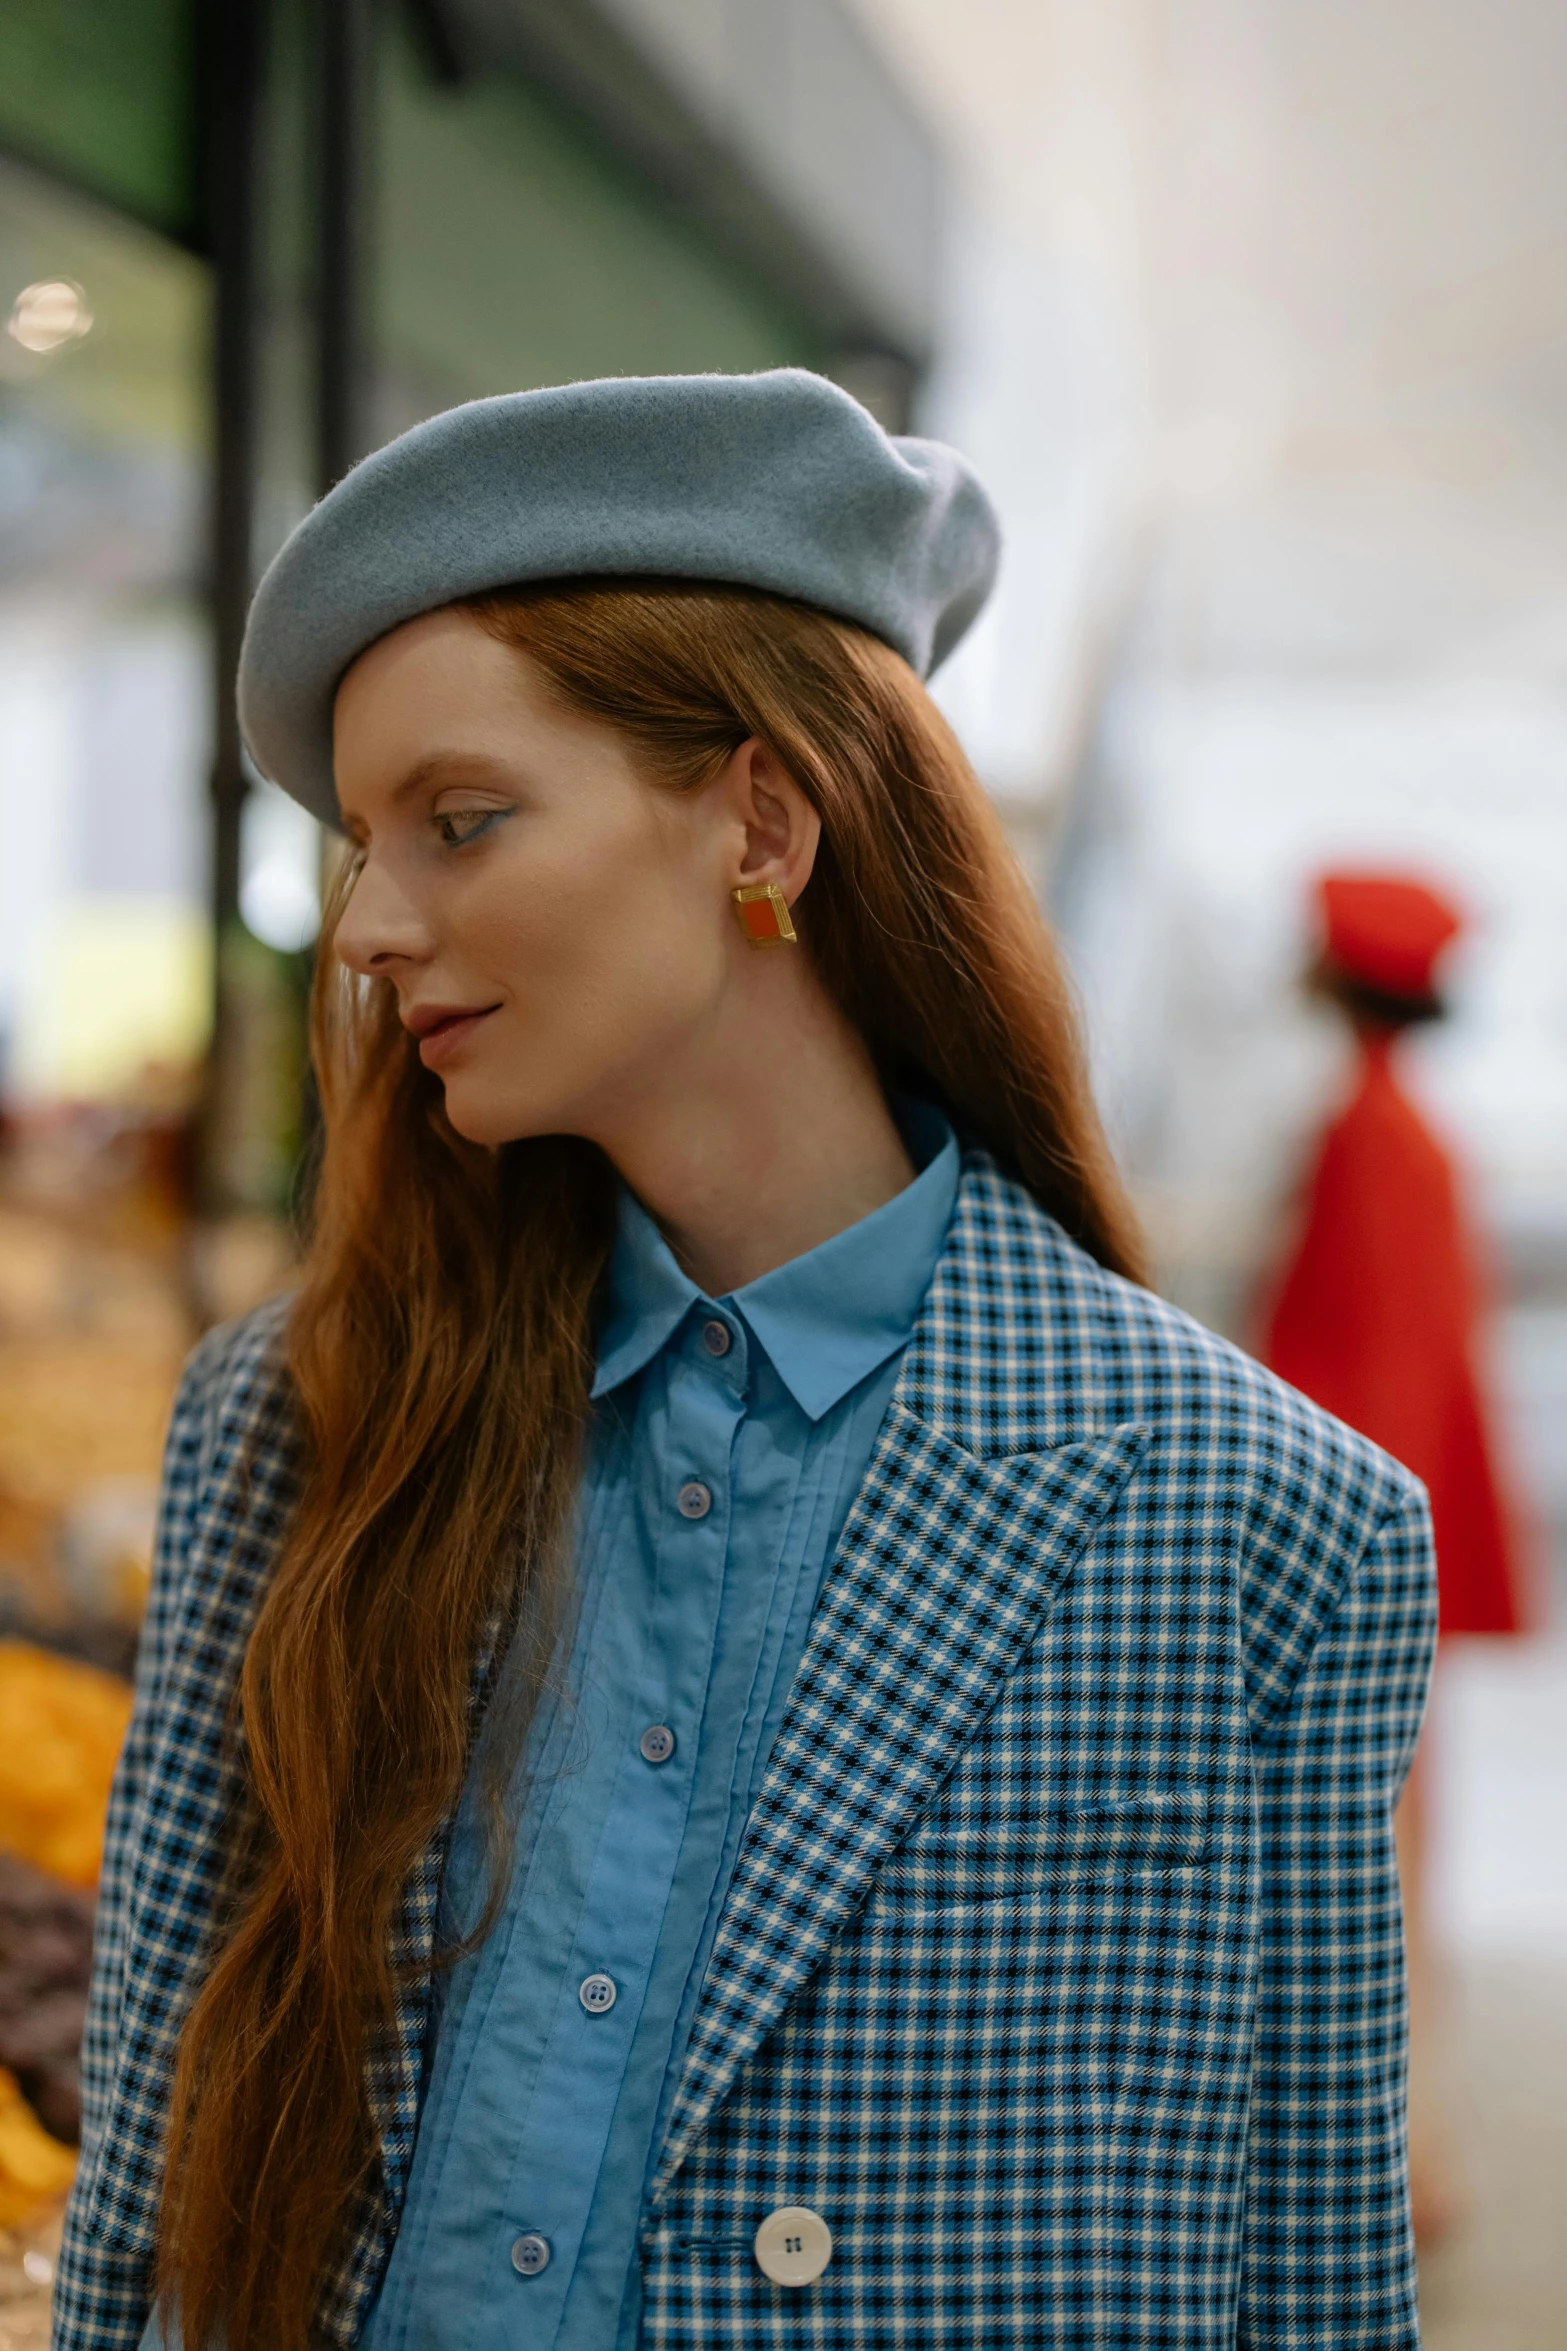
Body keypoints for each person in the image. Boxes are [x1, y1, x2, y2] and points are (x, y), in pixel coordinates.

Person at [53, 372, 1435, 2351]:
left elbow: (1315, 2278)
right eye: (363, 843)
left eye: (459, 819)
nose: (366, 924)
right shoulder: (302, 1419)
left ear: (765, 815)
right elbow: (154, 2205)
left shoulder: (1256, 1519)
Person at [1263, 868, 1527, 2240]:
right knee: (1388, 1839)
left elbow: (1357, 1370)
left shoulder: (1365, 1135)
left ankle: (1393, 2158)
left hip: (1361, 1541)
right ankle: (1403, 2151)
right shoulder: (1410, 1133)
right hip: (1406, 1522)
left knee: (1362, 1846)